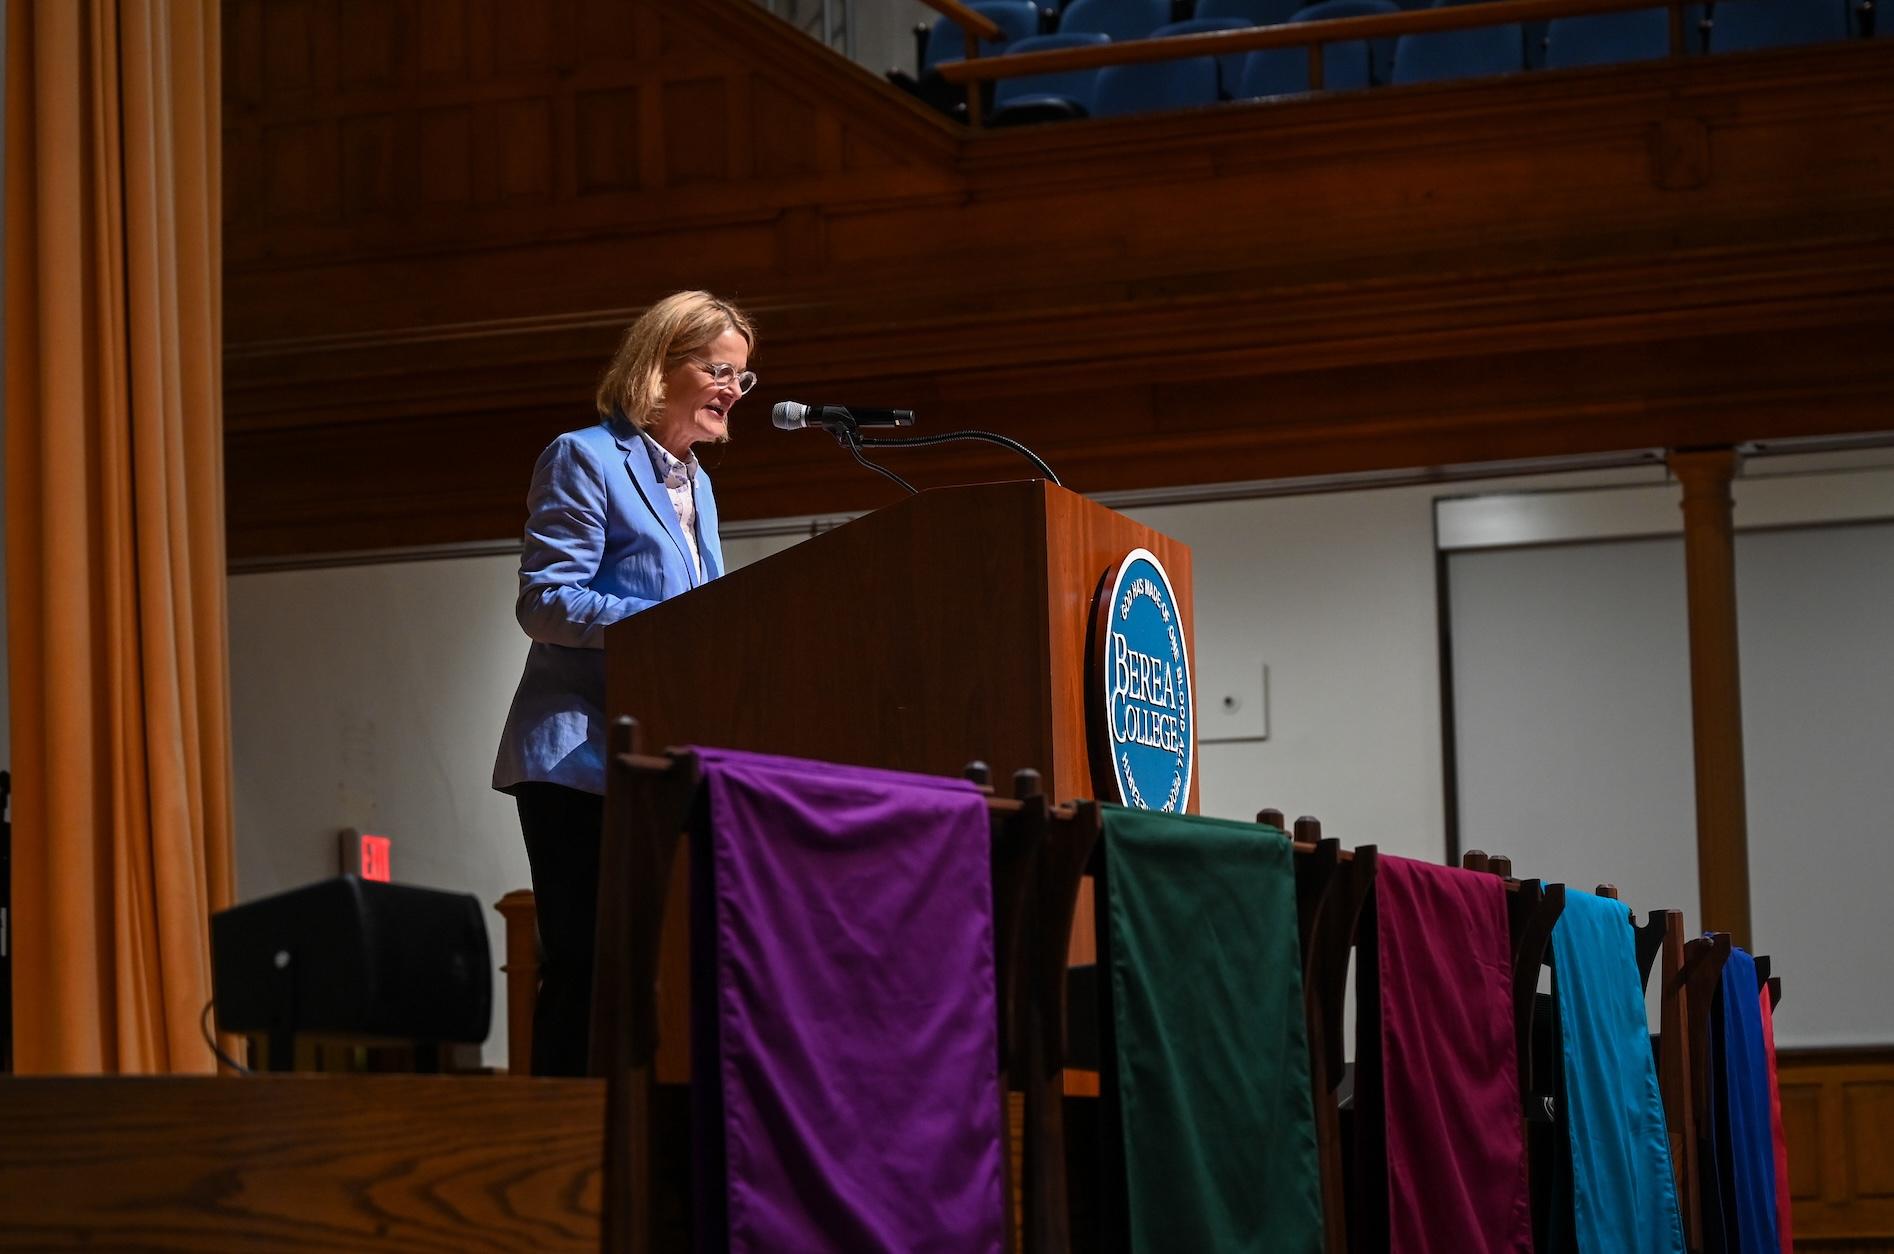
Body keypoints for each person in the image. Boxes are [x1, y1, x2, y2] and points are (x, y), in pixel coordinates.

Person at [492, 290, 756, 1075]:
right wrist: (671, 625)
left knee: (661, 973)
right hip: (578, 760)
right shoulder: (584, 456)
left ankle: (647, 1149)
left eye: (744, 379)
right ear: (658, 365)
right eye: (718, 370)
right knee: (587, 968)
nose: (733, 392)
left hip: (658, 763)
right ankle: (563, 1151)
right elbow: (546, 602)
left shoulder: (698, 487)